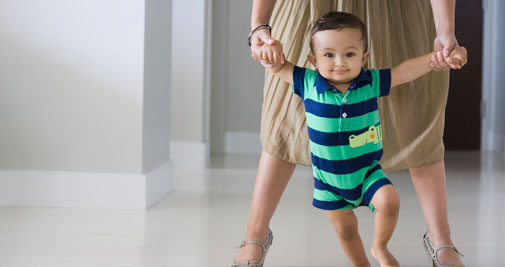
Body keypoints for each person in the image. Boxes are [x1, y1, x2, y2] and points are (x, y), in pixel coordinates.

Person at [233, 1, 466, 267]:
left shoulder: (371, 81)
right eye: (330, 56)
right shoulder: (307, 80)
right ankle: (255, 235)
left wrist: (443, 42)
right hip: (309, 9)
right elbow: (276, 67)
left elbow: (403, 72)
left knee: (418, 116)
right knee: (282, 122)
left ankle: (434, 238)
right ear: (313, 60)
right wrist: (261, 34)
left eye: (350, 57)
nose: (340, 63)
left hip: (396, 10)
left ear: (364, 58)